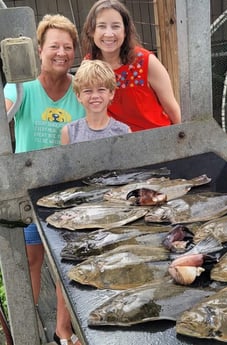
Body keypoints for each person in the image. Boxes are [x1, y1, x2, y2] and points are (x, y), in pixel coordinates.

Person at [4, 14, 84, 345]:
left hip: (67, 192)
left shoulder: (81, 90)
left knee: (66, 263)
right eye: (54, 46)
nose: (61, 53)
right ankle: (25, 325)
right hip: (27, 191)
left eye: (67, 47)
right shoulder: (21, 88)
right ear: (39, 50)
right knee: (31, 260)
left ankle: (62, 329)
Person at [81, 0, 181, 132]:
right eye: (102, 26)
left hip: (156, 138)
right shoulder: (89, 65)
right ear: (91, 31)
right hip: (115, 142)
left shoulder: (146, 61)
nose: (109, 33)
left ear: (125, 31)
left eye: (116, 26)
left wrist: (182, 140)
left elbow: (171, 107)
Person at [61, 59, 130, 144]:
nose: (95, 96)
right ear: (78, 96)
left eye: (101, 90)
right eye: (88, 91)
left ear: (111, 93)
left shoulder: (123, 131)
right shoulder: (70, 132)